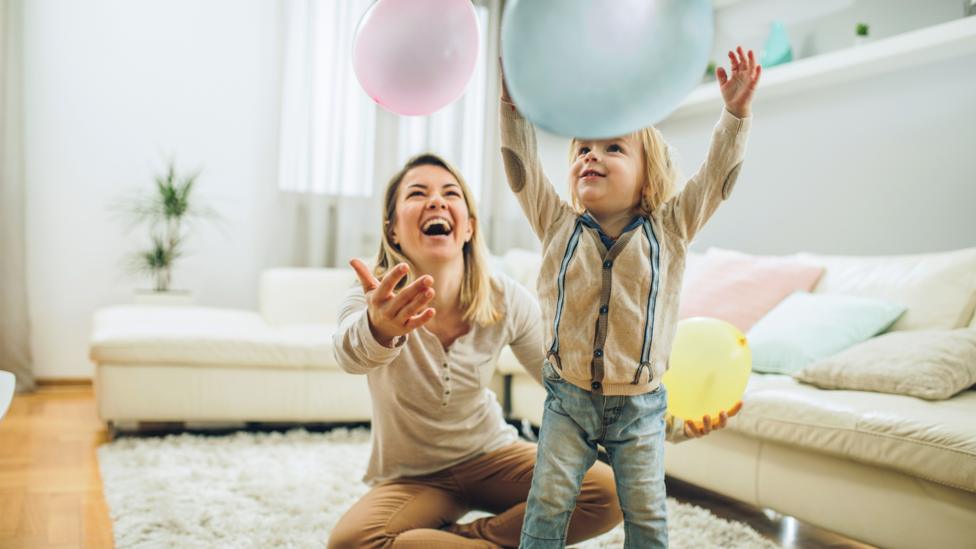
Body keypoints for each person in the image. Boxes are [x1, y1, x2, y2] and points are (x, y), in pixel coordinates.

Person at [327, 153, 737, 548]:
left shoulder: (505, 298)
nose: (436, 201)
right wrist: (380, 329)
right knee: (351, 542)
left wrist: (664, 423)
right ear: (392, 230)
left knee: (608, 494)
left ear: (468, 227)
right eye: (417, 193)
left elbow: (570, 381)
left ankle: (474, 539)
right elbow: (350, 355)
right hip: (411, 477)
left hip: (492, 456)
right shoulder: (371, 299)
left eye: (450, 193)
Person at [499, 47, 761, 548]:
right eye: (582, 149)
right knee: (548, 502)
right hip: (567, 399)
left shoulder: (672, 228)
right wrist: (512, 104)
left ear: (648, 175)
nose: (590, 156)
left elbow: (717, 179)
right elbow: (521, 165)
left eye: (613, 148)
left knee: (647, 514)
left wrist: (735, 113)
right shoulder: (555, 223)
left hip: (641, 406)